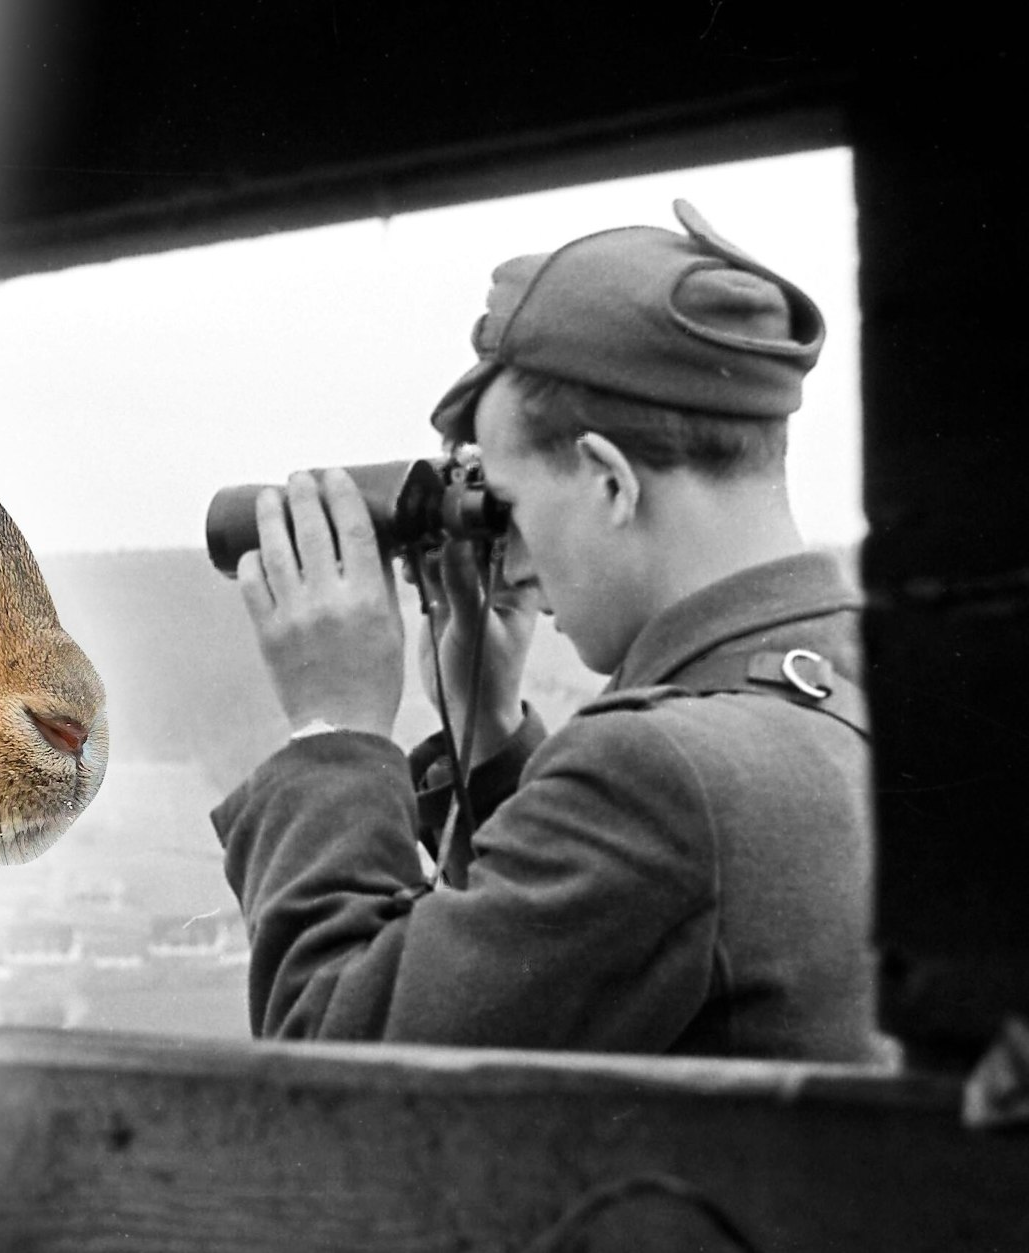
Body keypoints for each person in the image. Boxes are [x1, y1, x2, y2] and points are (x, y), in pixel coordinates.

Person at [211, 200, 885, 1061]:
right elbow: (636, 928)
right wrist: (489, 734)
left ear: (610, 482)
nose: (512, 560)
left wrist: (332, 727)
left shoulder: (662, 778)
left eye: (511, 506)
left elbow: (338, 1059)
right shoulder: (852, 683)